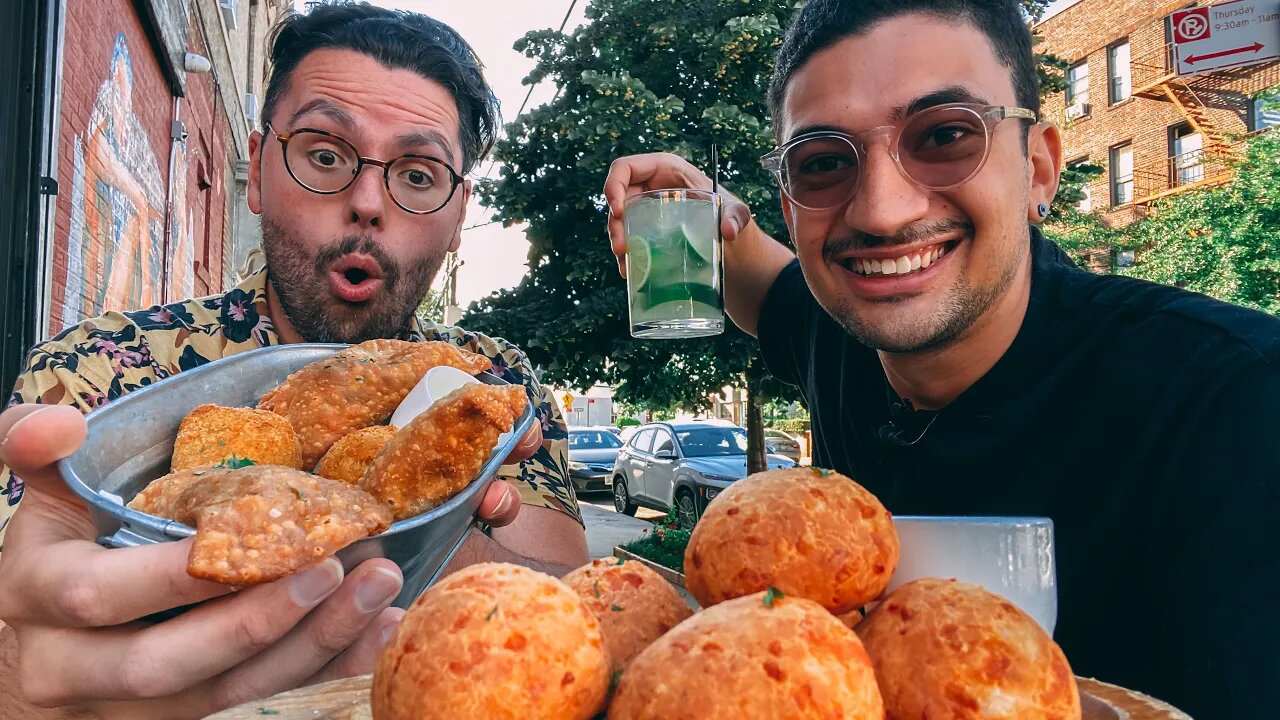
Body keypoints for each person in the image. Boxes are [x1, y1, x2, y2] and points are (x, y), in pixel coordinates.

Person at [604, 0, 1278, 715]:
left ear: (1041, 167)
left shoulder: (1236, 405)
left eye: (947, 135)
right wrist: (684, 205)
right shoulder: (838, 334)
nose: (882, 212)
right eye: (825, 162)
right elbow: (760, 281)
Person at [0, 5, 587, 718]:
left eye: (419, 173)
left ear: (460, 214)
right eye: (325, 154)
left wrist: (440, 519)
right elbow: (27, 592)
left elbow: (573, 608)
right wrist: (21, 687)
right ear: (257, 166)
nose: (368, 203)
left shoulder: (497, 390)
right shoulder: (97, 371)